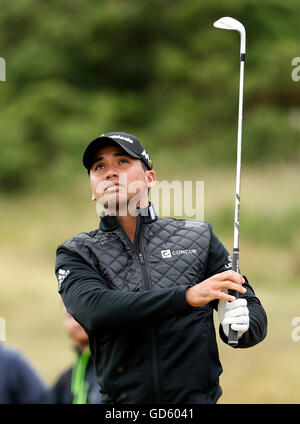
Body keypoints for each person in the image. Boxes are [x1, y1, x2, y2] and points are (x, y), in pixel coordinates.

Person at [55, 131, 267, 404]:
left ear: (149, 178)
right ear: (93, 190)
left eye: (122, 162)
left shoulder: (198, 237)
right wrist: (186, 297)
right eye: (99, 167)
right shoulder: (76, 252)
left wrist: (241, 325)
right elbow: (97, 310)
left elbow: (250, 305)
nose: (110, 172)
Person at [49, 308, 101, 404]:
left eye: (83, 314)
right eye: (70, 316)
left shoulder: (113, 369)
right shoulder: (66, 379)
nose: (77, 322)